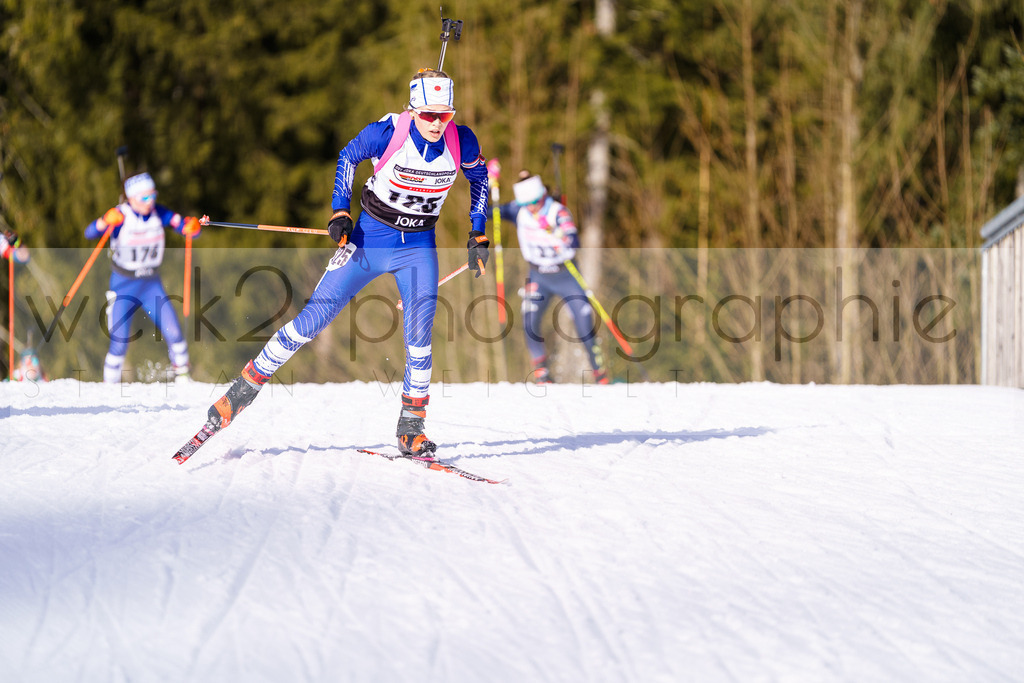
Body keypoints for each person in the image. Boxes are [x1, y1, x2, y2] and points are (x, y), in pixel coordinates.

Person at [205, 67, 490, 457]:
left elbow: (480, 178)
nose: (438, 123)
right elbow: (348, 156)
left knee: (420, 336)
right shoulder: (388, 132)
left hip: (418, 246)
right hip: (369, 240)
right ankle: (243, 390)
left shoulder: (463, 141)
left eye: (445, 114)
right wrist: (340, 211)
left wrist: (478, 231)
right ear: (413, 110)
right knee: (311, 322)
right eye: (429, 115)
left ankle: (412, 428)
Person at [491, 167, 608, 384]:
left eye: (534, 202)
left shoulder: (558, 212)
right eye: (527, 204)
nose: (532, 209)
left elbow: (574, 241)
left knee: (583, 323)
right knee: (530, 320)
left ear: (542, 196)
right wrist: (491, 186)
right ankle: (542, 372)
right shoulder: (520, 210)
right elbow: (491, 212)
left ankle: (599, 372)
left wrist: (555, 232)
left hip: (565, 274)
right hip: (538, 276)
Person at [84, 172, 201, 383]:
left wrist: (192, 227)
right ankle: (108, 388)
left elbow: (184, 227)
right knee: (119, 342)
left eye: (153, 195)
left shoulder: (159, 212)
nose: (151, 201)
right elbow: (89, 232)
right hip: (123, 285)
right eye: (145, 198)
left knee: (173, 331)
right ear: (131, 198)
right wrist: (104, 221)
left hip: (150, 285)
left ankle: (183, 377)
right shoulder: (121, 216)